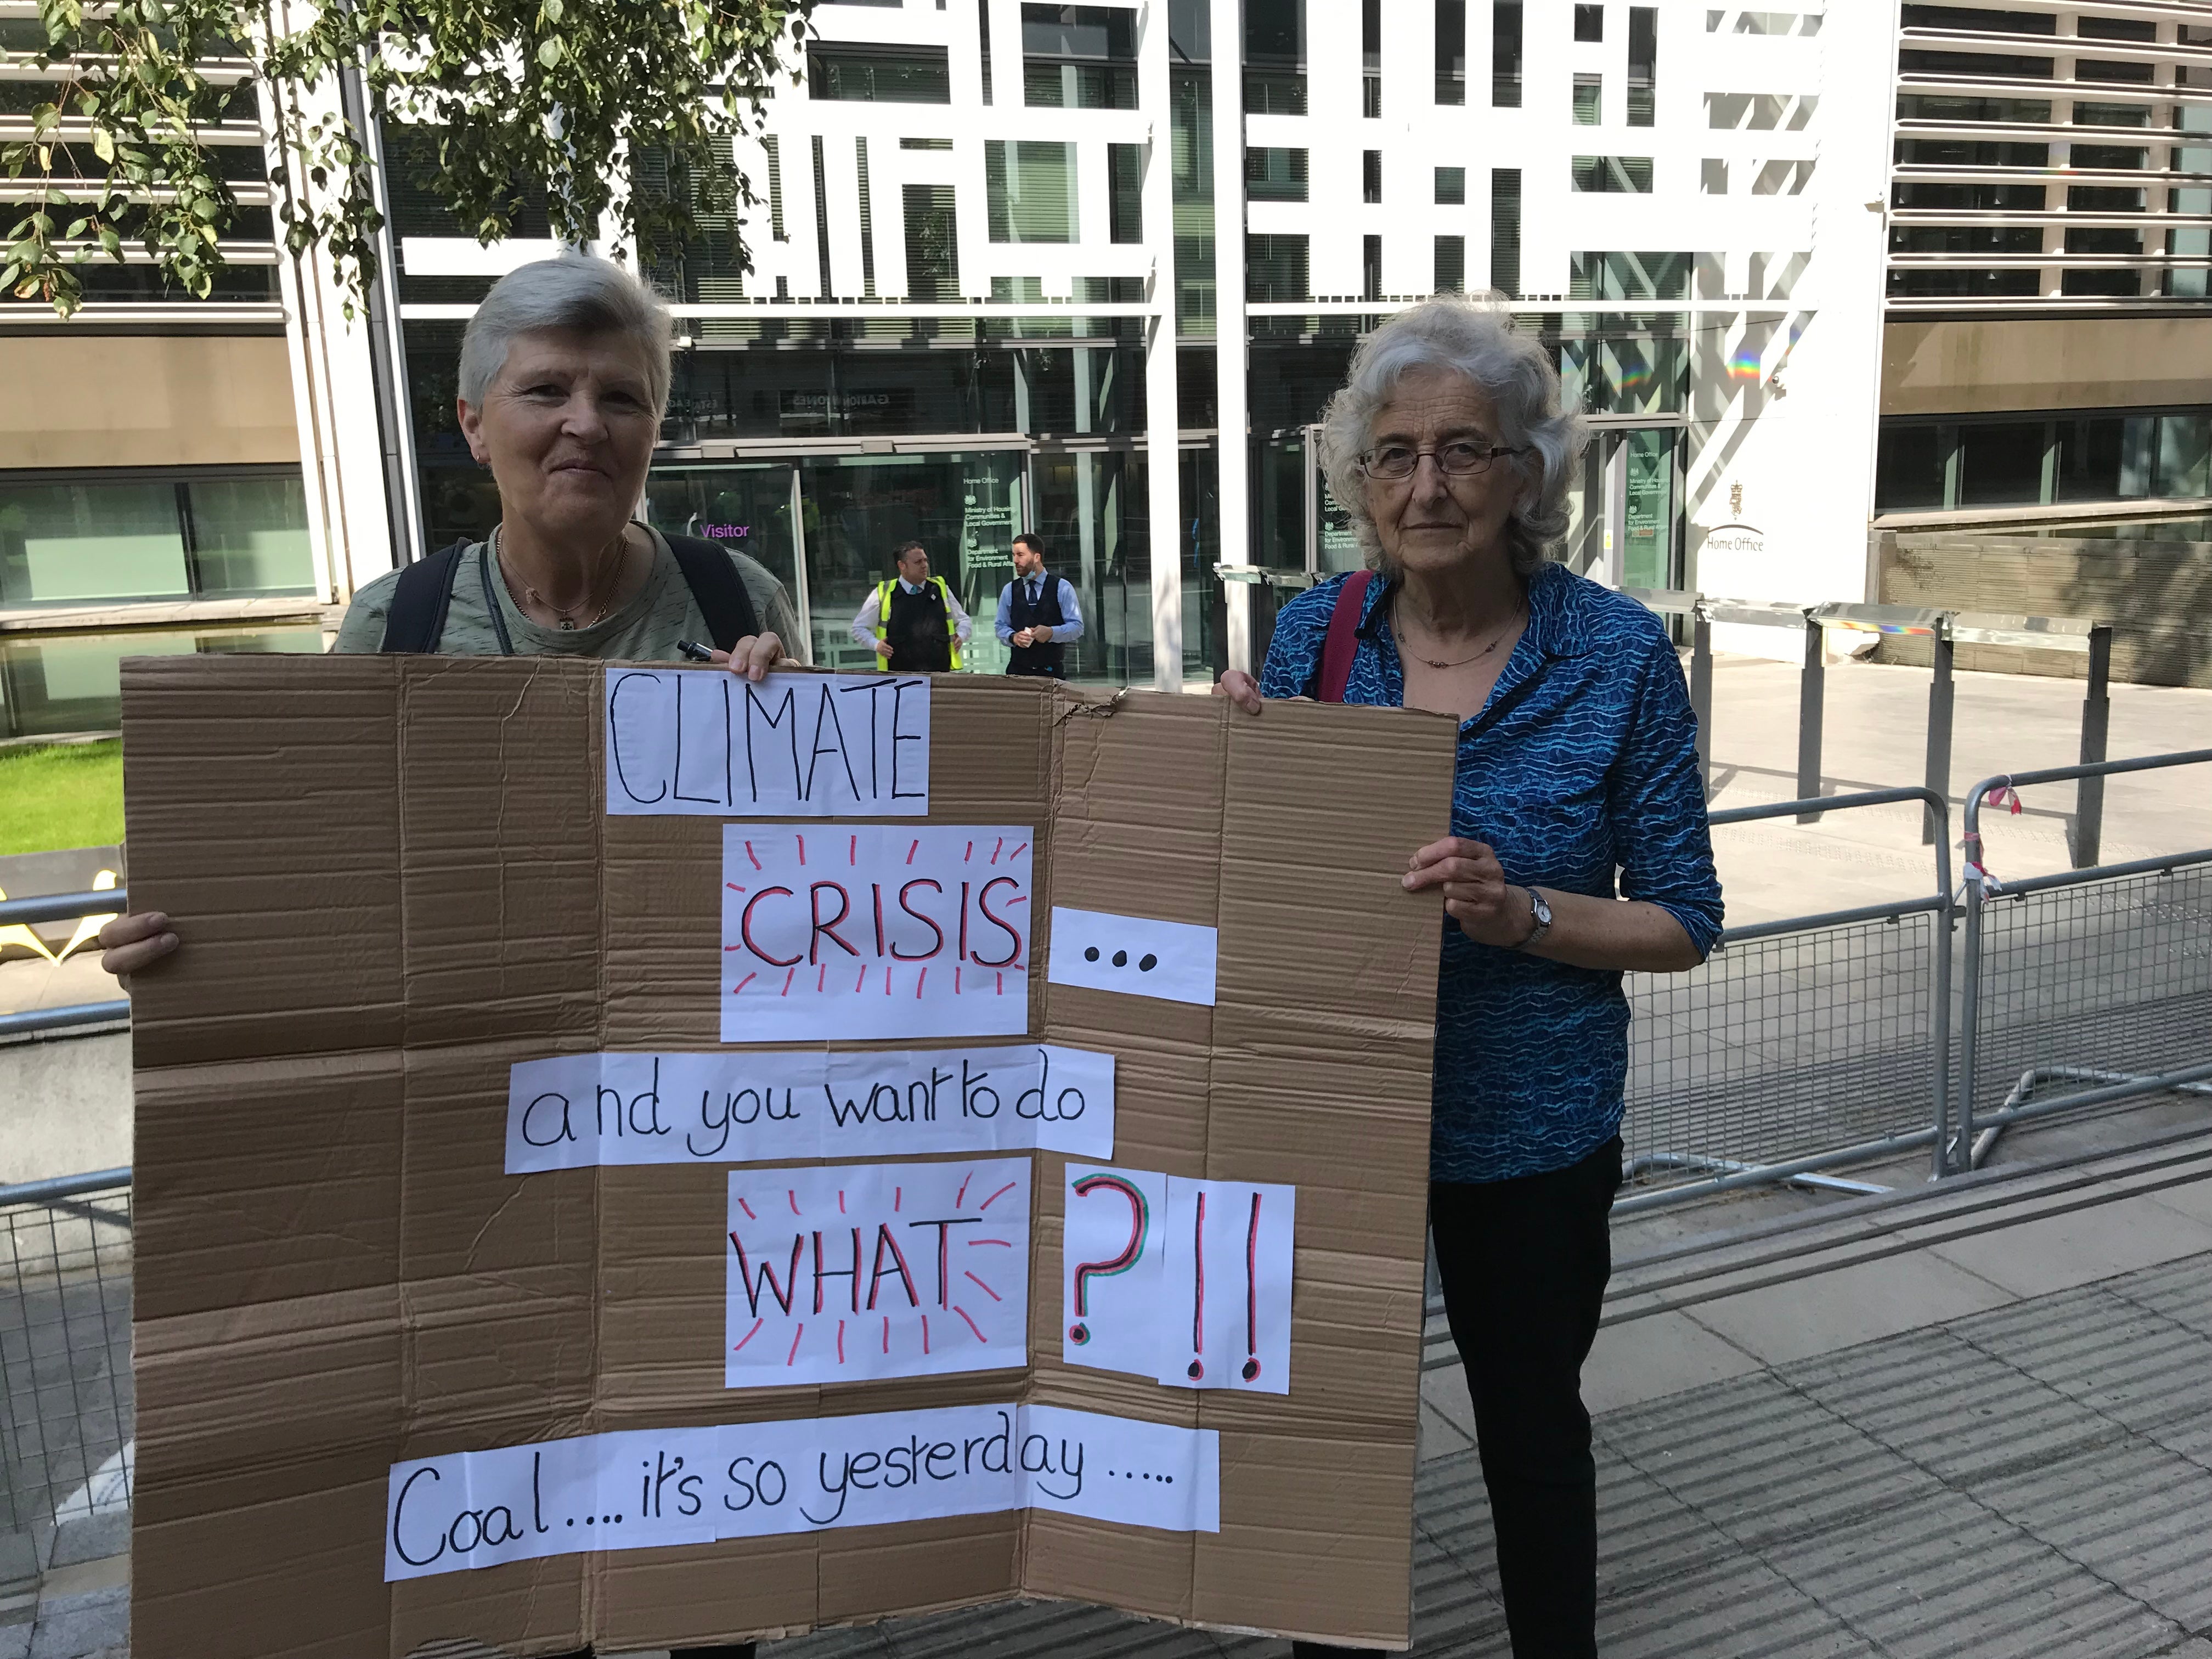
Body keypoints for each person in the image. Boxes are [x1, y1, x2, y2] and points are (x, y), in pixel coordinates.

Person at [95, 252, 797, 1659]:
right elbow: (320, 876)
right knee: (529, 1565)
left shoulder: (738, 607)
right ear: (474, 422)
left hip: (698, 1173)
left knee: (719, 1562)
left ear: (657, 426)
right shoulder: (400, 626)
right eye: (547, 390)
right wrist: (188, 950)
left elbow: (845, 883)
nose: (586, 423)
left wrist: (787, 740)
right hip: (488, 1189)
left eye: (624, 395)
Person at [1216, 296, 1722, 1659]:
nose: (1426, 483)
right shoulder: (1315, 641)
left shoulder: (1614, 656)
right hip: (1339, 1121)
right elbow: (1267, 883)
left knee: (1531, 1428)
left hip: (1533, 1133)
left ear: (1526, 473)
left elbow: (1684, 919)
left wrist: (1530, 915)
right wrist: (1223, 777)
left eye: (1463, 449)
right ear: (1359, 481)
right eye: (1394, 453)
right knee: (1329, 1428)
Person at [848, 541, 972, 672]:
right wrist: (876, 645)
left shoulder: (940, 589)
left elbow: (964, 621)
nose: (924, 566)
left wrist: (961, 636)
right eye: (918, 562)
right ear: (902, 566)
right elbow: (859, 628)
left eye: (926, 561)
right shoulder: (884, 593)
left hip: (939, 674)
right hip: (901, 678)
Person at [994, 531, 1085, 678]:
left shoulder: (1062, 587)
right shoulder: (1009, 590)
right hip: (1018, 673)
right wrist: (1013, 637)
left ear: (1037, 557)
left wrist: (1052, 633)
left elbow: (1077, 627)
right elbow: (1000, 626)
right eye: (1014, 555)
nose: (1016, 561)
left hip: (1051, 673)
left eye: (1021, 555)